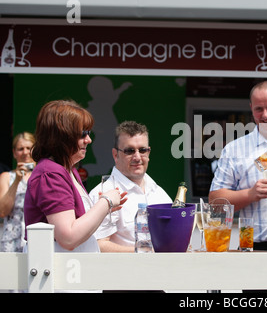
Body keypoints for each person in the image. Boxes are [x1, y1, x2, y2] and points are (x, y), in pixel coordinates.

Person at [24, 100, 127, 254]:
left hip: (72, 271)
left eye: (89, 133)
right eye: (82, 134)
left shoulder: (67, 169)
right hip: (57, 273)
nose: (89, 140)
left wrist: (102, 209)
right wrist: (106, 203)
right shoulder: (51, 173)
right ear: (61, 135)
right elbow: (68, 238)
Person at [209, 81, 267, 250]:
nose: (265, 115)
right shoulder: (235, 149)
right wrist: (249, 194)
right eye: (259, 109)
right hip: (253, 246)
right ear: (251, 109)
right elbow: (215, 203)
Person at [90, 121, 172, 252]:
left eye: (143, 150)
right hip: (123, 271)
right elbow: (99, 246)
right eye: (130, 151)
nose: (137, 157)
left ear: (149, 153)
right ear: (115, 155)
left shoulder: (159, 192)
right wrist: (146, 252)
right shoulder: (103, 193)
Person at [0, 132, 35, 252]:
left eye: (29, 148)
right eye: (21, 149)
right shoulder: (7, 177)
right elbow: (2, 211)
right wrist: (16, 181)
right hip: (11, 242)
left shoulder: (43, 175)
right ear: (14, 153)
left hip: (36, 239)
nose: (25, 152)